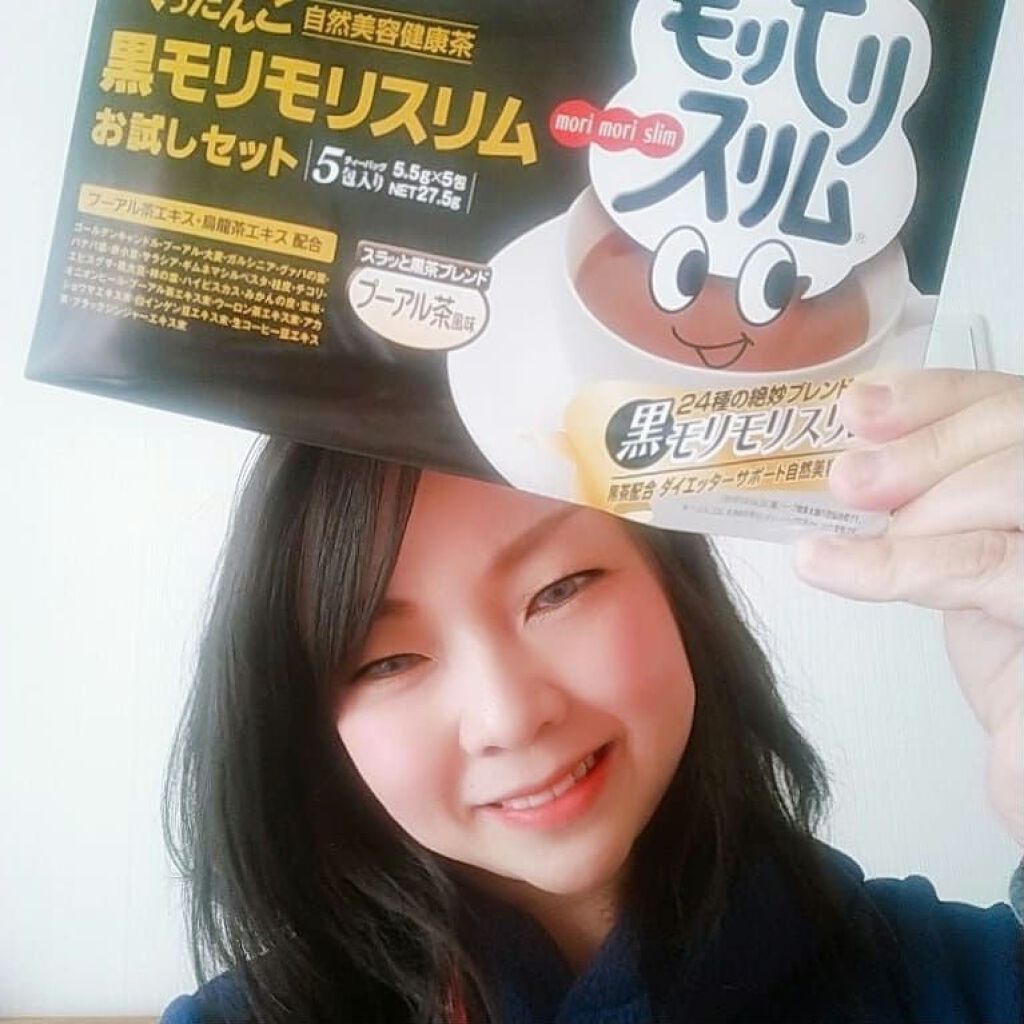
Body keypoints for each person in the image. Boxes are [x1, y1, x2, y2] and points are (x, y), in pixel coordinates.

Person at [160, 369, 1023, 1024]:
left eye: (559, 590)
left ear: (677, 591)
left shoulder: (953, 981)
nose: (508, 716)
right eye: (387, 662)